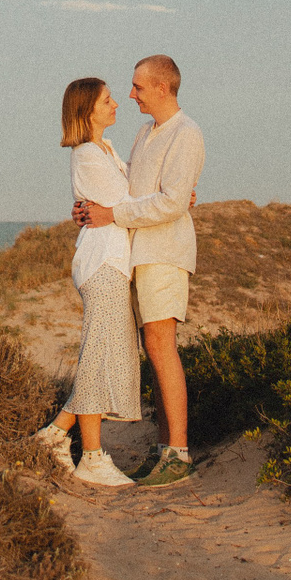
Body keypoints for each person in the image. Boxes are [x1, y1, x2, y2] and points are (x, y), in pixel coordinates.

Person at [74, 54, 204, 486]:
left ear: (162, 88)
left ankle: (178, 453)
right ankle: (164, 448)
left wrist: (112, 214)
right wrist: (88, 207)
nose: (131, 95)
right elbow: (128, 186)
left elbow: (169, 203)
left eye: (138, 87)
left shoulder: (186, 133)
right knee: (153, 347)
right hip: (137, 253)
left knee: (161, 345)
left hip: (165, 251)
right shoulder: (146, 132)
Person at [30, 77, 140, 485]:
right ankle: (91, 457)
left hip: (114, 263)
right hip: (103, 263)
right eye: (107, 100)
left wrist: (174, 196)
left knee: (103, 354)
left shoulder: (105, 149)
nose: (116, 104)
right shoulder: (88, 154)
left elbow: (129, 197)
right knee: (97, 355)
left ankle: (58, 435)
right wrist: (169, 198)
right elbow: (128, 202)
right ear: (87, 110)